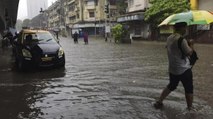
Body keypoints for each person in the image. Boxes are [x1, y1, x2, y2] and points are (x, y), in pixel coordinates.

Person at [153, 22, 195, 111]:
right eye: (185, 28)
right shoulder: (181, 40)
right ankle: (190, 108)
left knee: (171, 85)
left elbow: (170, 48)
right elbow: (189, 53)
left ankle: (159, 101)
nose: (186, 30)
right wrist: (191, 44)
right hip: (184, 69)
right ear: (181, 28)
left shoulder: (169, 38)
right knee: (189, 88)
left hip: (173, 68)